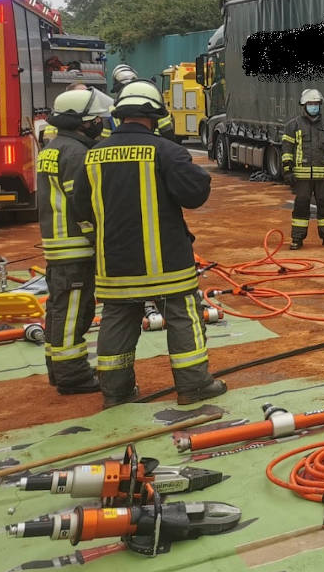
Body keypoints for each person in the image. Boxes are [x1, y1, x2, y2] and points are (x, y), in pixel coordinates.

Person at [72, 81, 225, 408]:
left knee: (117, 321)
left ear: (119, 115)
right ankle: (194, 387)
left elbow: (81, 209)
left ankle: (116, 393)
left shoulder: (93, 156)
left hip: (115, 264)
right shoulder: (167, 152)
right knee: (184, 317)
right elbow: (195, 195)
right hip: (166, 263)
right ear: (155, 116)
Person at [36, 87, 113, 394]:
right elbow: (82, 202)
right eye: (94, 118)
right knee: (72, 313)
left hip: (58, 245)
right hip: (74, 246)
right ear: (80, 121)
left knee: (59, 309)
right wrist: (96, 237)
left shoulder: (54, 147)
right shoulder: (76, 153)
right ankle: (73, 375)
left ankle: (60, 368)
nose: (99, 123)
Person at [281, 89, 324, 250]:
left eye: (316, 104)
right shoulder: (293, 125)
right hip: (301, 176)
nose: (314, 106)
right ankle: (297, 239)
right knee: (301, 206)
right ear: (304, 105)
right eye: (311, 104)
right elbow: (287, 149)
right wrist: (287, 170)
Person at [111, 64, 174, 140]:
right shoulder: (153, 106)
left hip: (120, 147)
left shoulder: (112, 109)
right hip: (154, 145)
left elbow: (104, 140)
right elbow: (168, 134)